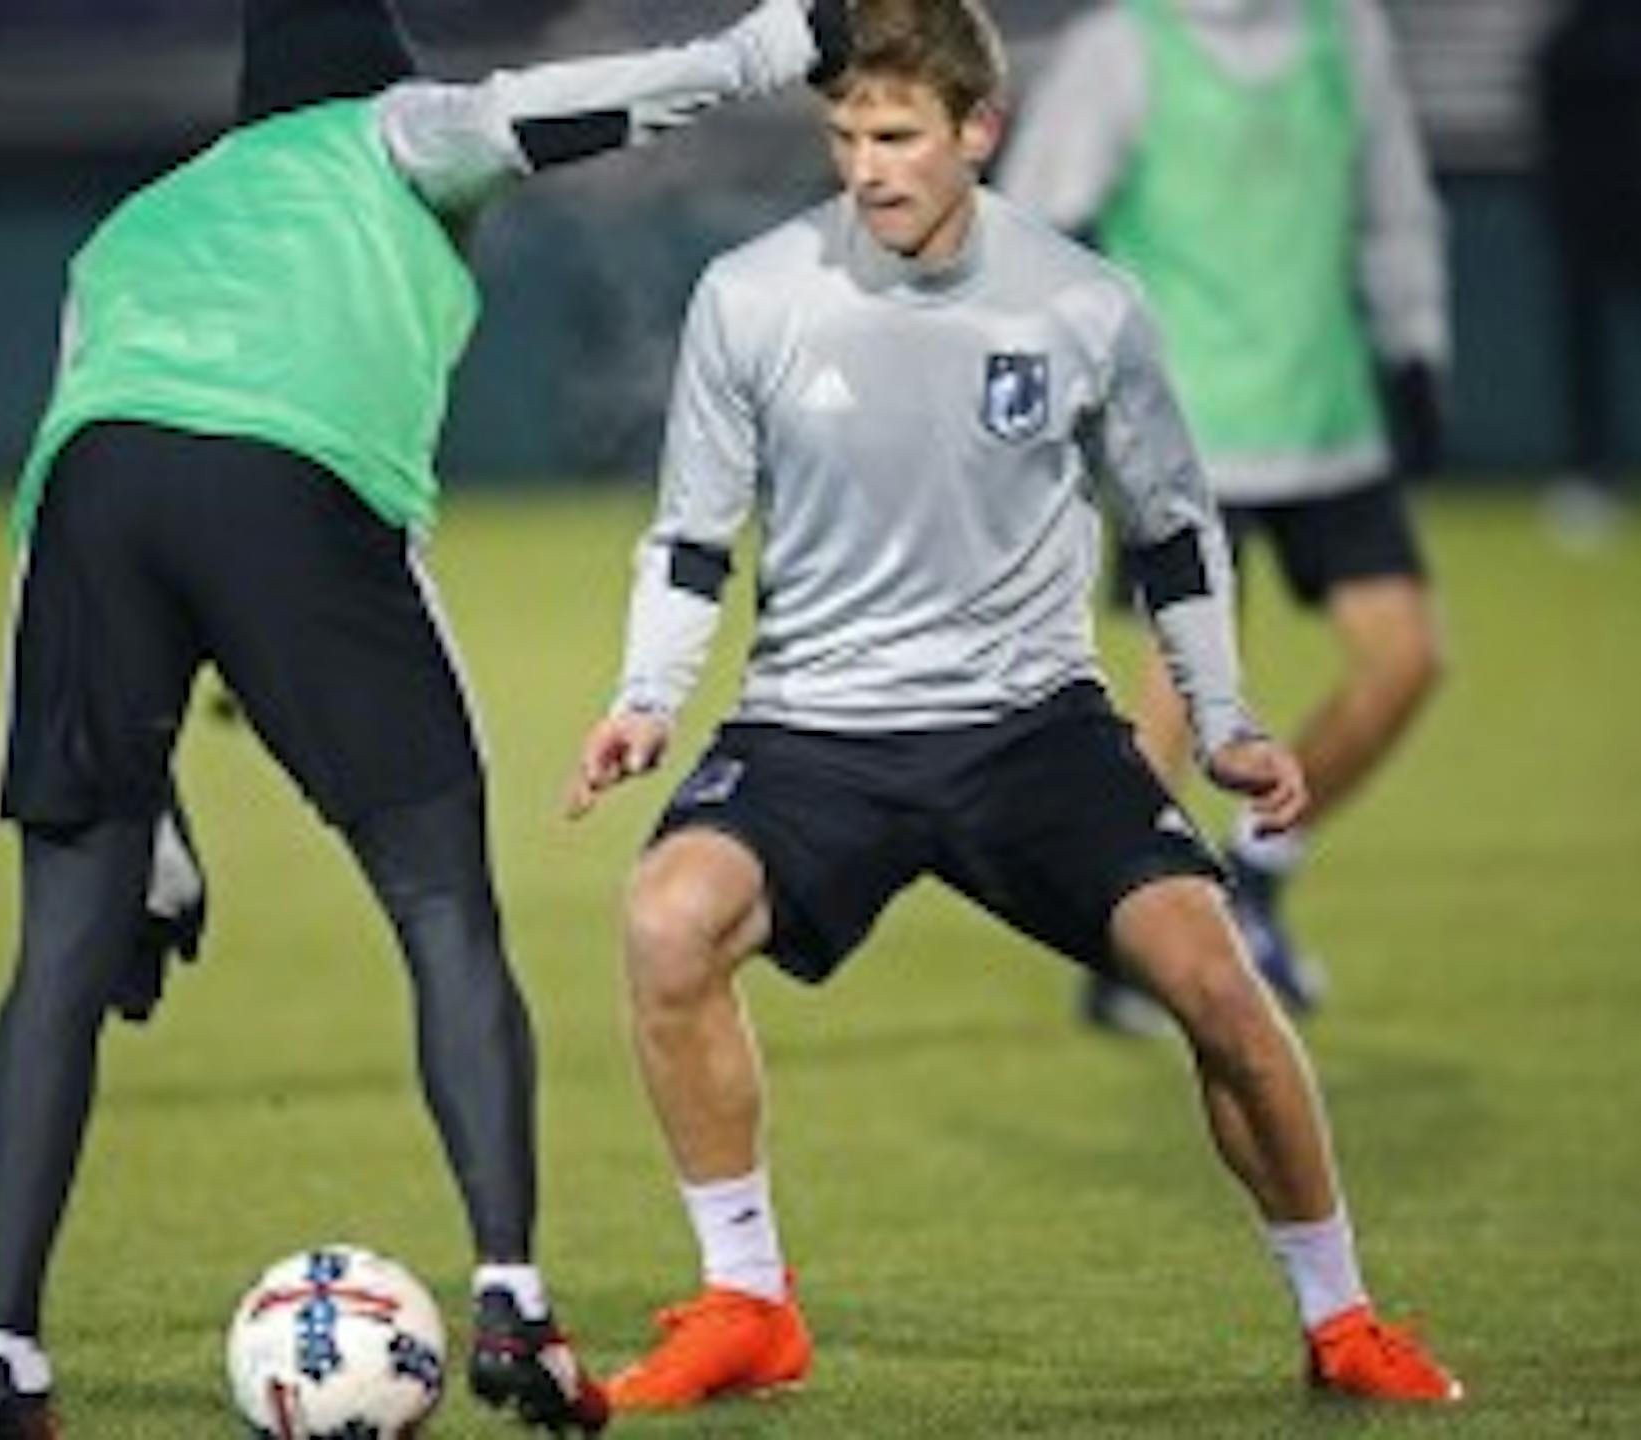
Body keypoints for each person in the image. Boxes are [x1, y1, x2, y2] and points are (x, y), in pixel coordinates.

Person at [0, 1, 853, 1435]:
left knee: (57, 954)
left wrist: (146, 819)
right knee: (442, 909)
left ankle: (6, 1366)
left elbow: (68, 481)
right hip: (296, 494)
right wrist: (773, 46)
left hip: (92, 511)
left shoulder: (131, 227)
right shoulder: (385, 132)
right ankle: (513, 1309)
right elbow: (547, 111)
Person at [568, 0, 1459, 1412]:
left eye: (898, 137)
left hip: (1033, 731)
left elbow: (1173, 533)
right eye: (846, 135)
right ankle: (748, 1303)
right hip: (816, 727)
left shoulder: (1084, 304)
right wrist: (645, 698)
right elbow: (690, 539)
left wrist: (1225, 719)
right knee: (667, 921)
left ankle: (1341, 1319)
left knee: (1218, 985)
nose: (866, 170)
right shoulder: (751, 293)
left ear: (979, 129)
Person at [997, 0, 1450, 1032]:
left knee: (1406, 660)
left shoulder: (1346, 34)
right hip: (1182, 430)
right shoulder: (1124, 47)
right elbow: (1035, 222)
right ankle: (1123, 949)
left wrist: (1415, 339)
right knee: (1173, 705)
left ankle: (1254, 881)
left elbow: (1395, 204)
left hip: (1329, 417)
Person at [1537, 0, 1641, 546]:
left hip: (1613, 213)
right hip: (1587, 217)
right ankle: (1591, 473)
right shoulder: (1570, 42)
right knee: (1586, 354)